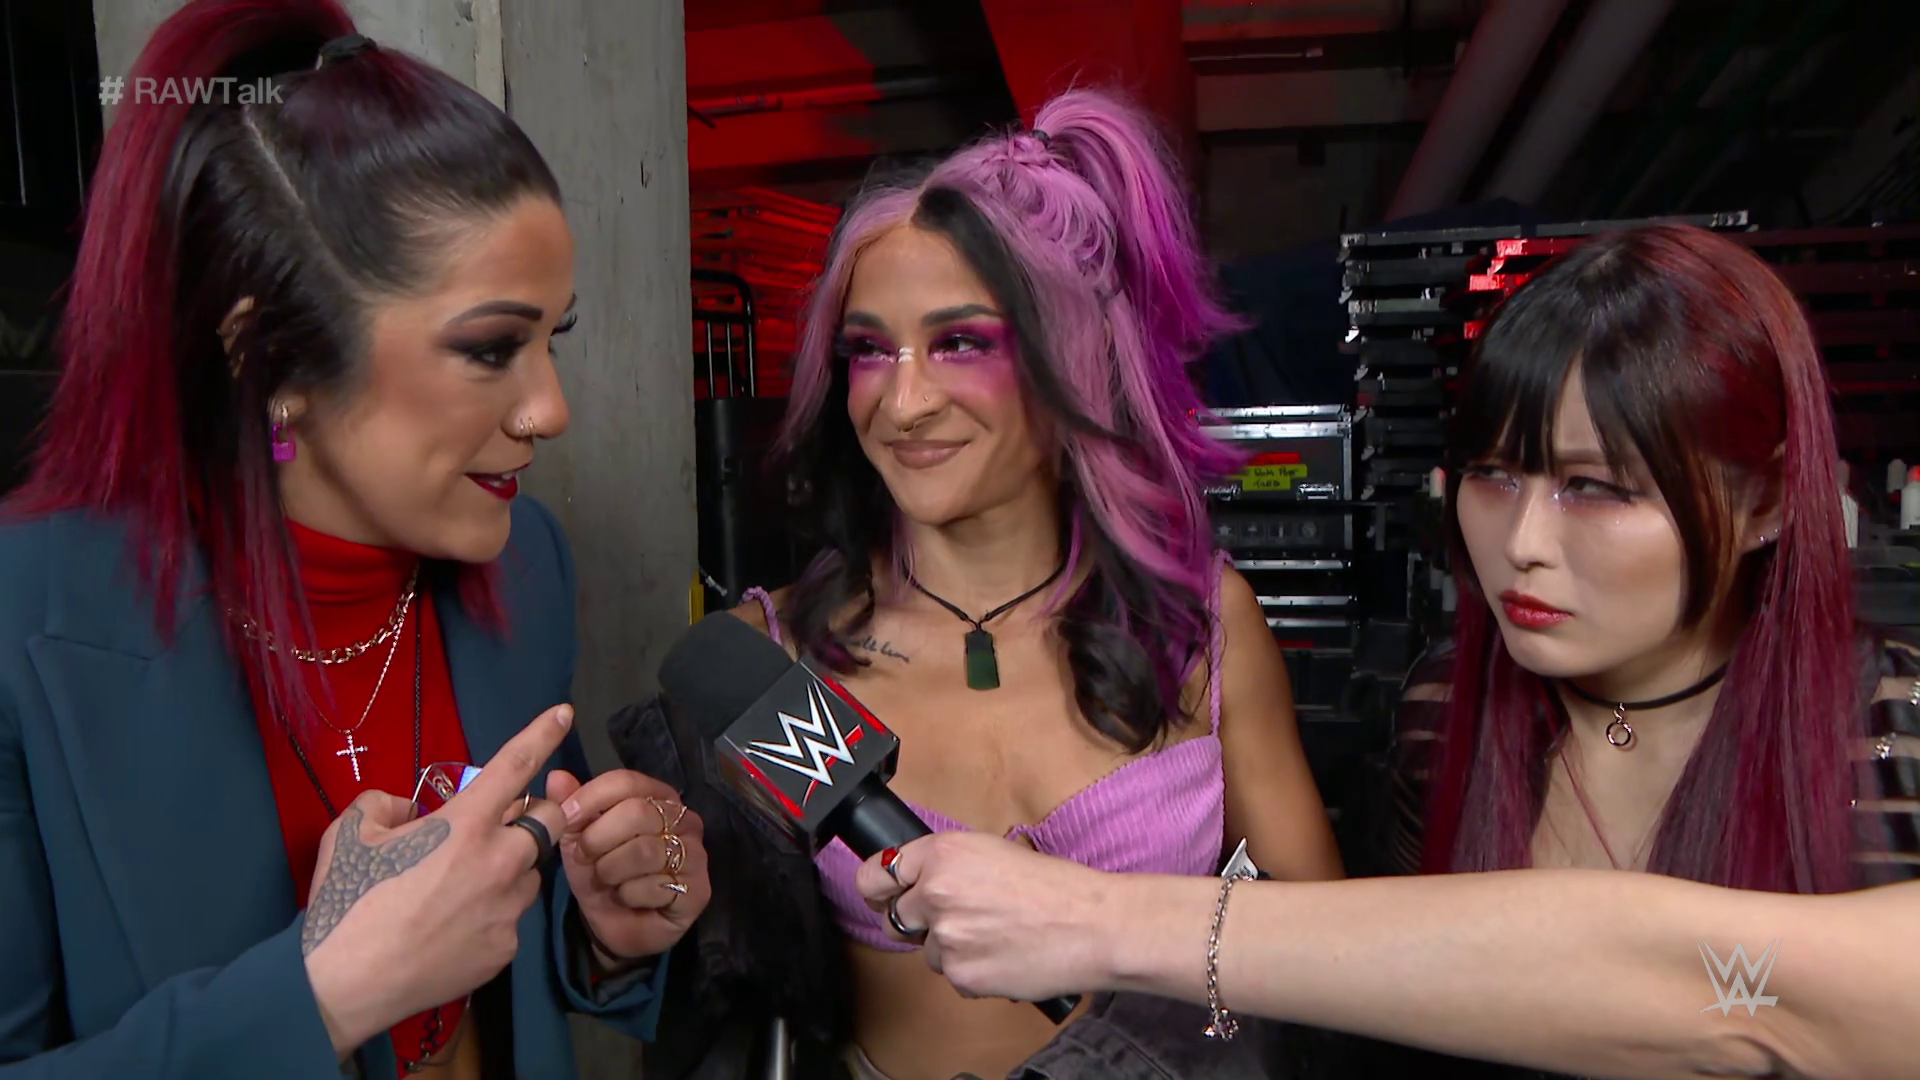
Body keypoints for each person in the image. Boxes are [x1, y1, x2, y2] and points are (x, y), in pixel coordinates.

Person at [853, 224, 1920, 1079]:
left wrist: (1104, 919)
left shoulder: (1896, 733)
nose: (1522, 544)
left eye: (1596, 488)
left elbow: (1730, 994)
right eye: (1495, 477)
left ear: (1769, 500)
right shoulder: (1442, 714)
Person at [0, 2, 710, 1077]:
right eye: (491, 349)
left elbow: (519, 938)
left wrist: (610, 929)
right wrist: (326, 996)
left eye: (553, 339)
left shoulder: (527, 566)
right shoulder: (29, 623)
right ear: (269, 357)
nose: (551, 410)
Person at [709, 89, 1344, 1080]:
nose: (904, 402)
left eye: (961, 341)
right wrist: (642, 894)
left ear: (1075, 359)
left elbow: (1327, 955)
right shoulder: (775, 656)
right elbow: (717, 967)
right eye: (869, 349)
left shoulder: (1199, 627)